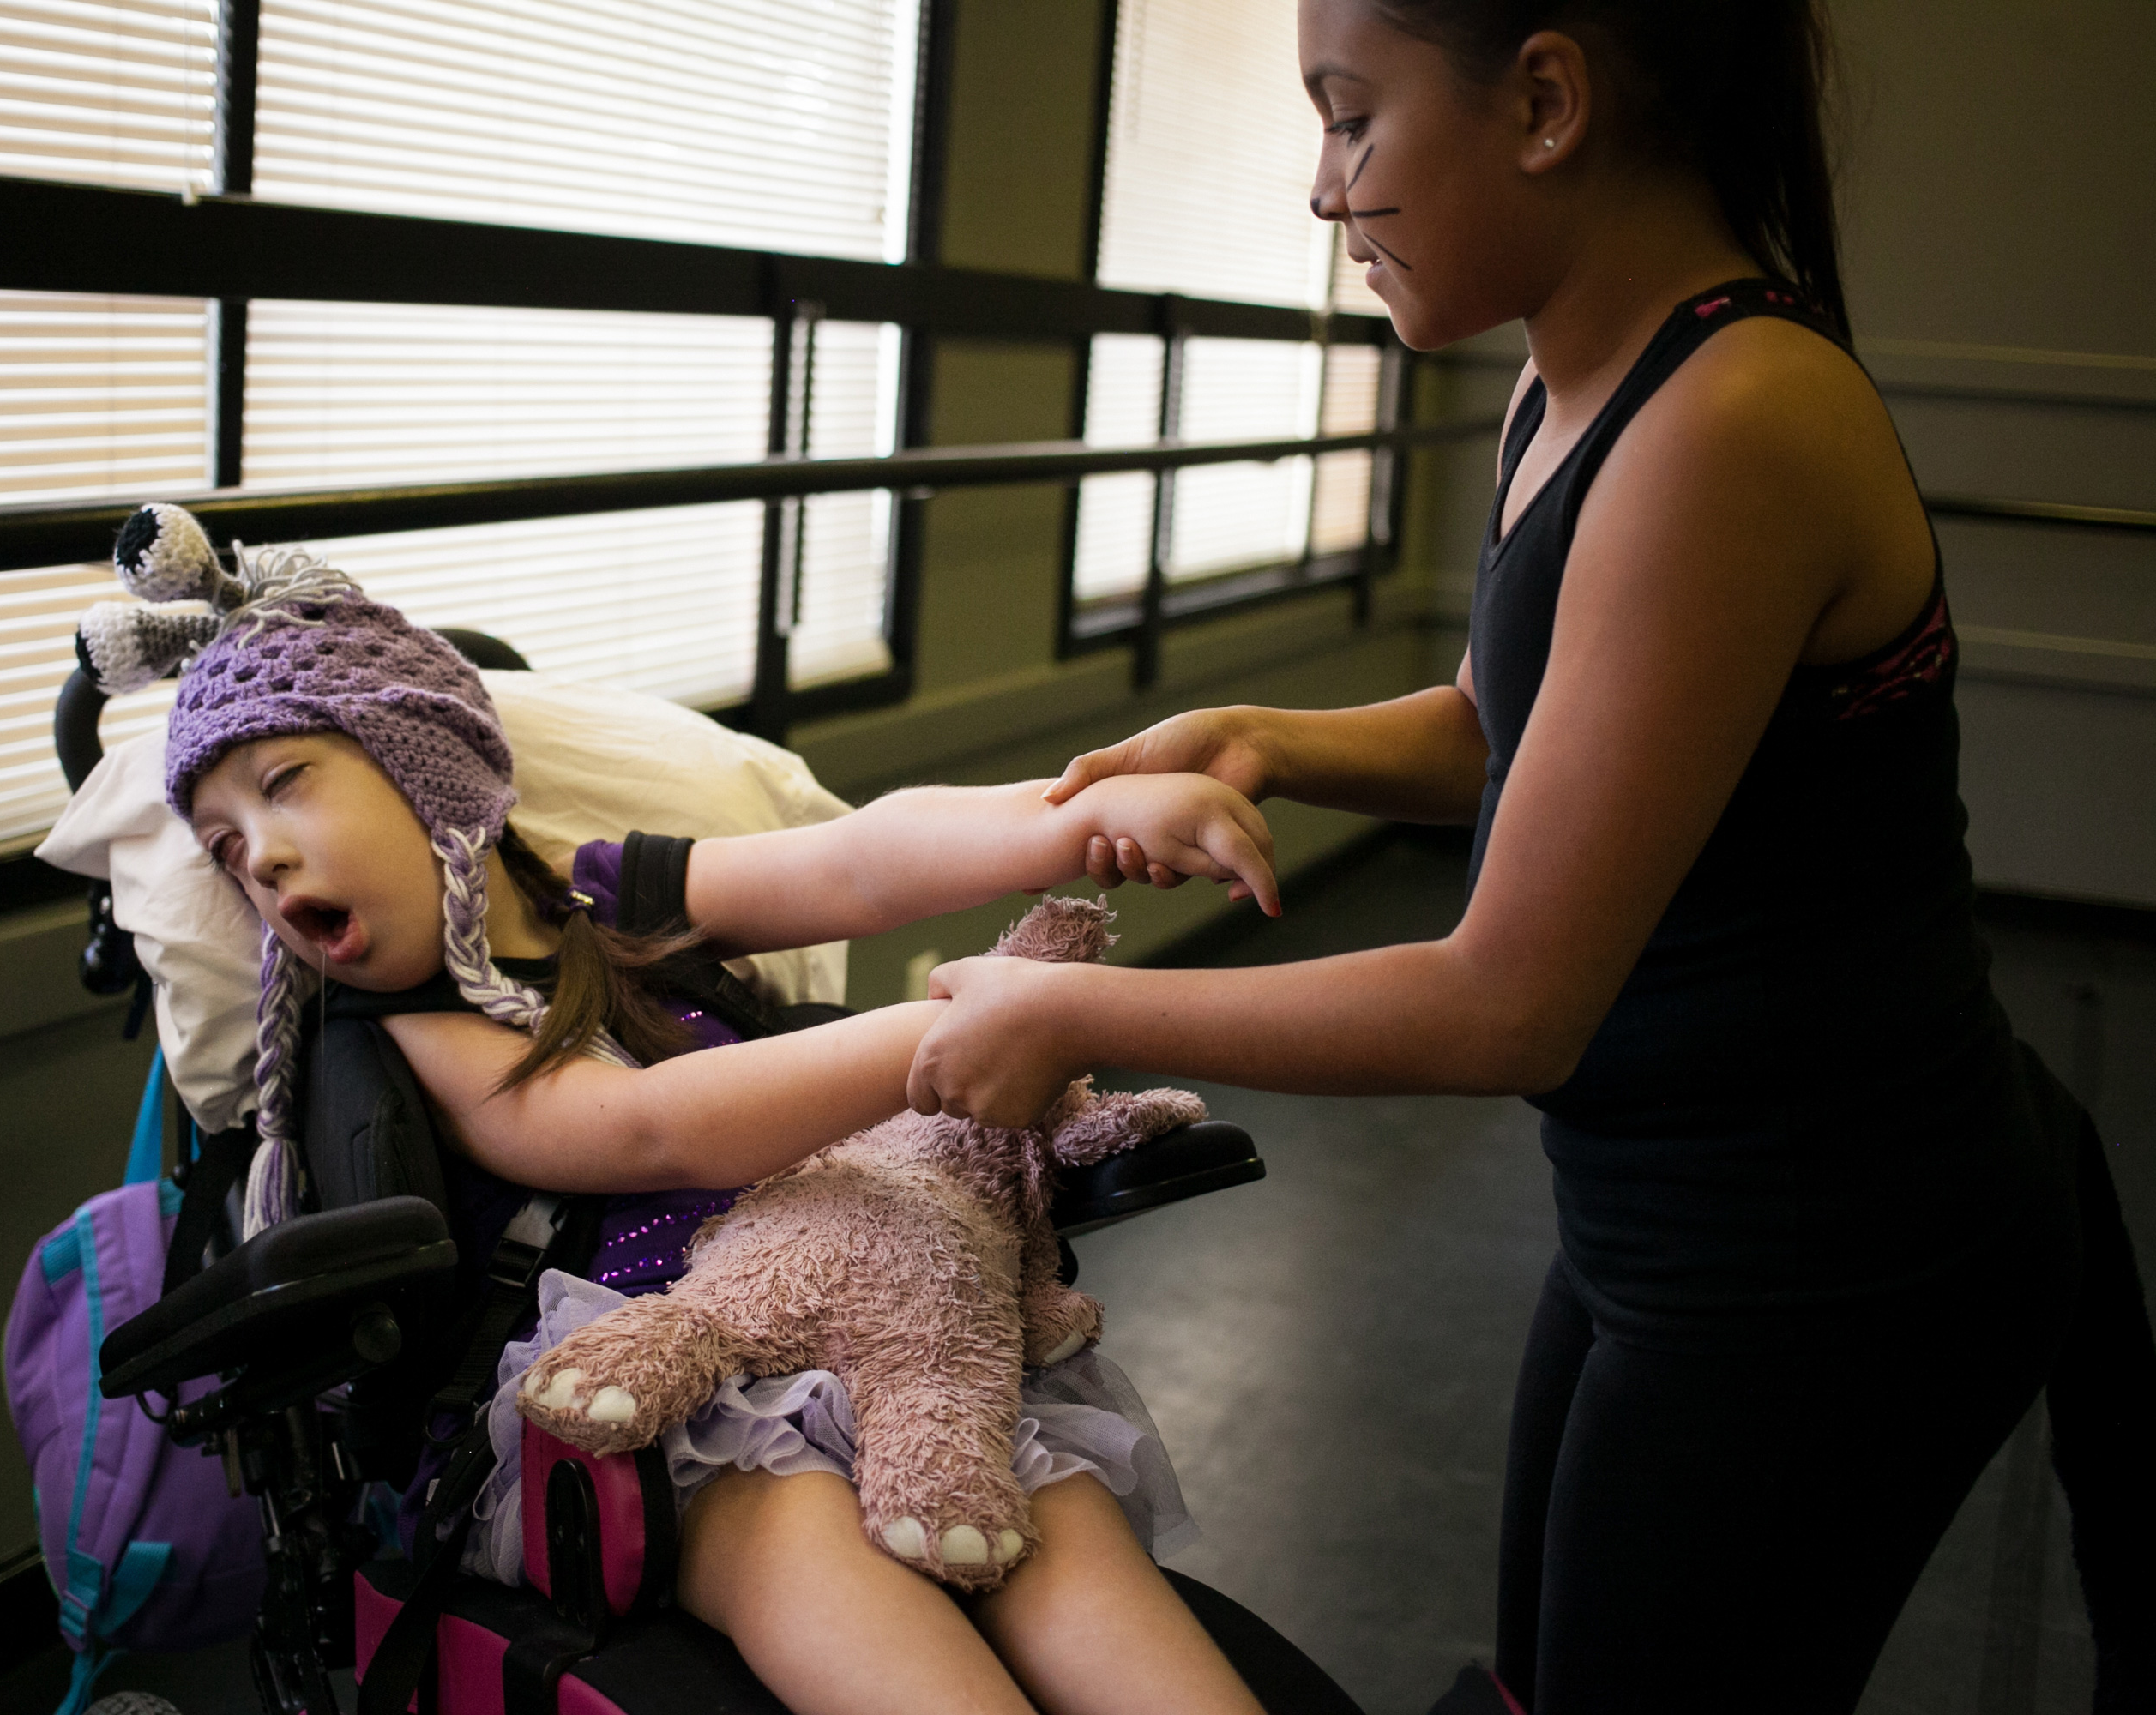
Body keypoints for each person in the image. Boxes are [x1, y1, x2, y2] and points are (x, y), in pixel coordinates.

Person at [901, 3, 2153, 1711]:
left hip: (1834, 1254)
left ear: (1548, 102)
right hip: (1665, 1210)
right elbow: (1512, 728)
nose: (1324, 189)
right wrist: (1266, 737)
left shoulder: (1735, 417)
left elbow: (1506, 1003)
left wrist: (1072, 1017)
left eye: (1353, 117)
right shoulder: (1571, 382)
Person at [136, 547, 1280, 1715]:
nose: (260, 855)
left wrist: (1079, 822)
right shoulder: (405, 1028)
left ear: (420, 761)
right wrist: (961, 1029)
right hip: (643, 1414)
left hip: (878, 1318)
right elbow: (651, 1131)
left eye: (286, 783)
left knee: (1062, 1544)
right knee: (799, 1529)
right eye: (225, 848)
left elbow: (857, 866)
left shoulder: (604, 897)